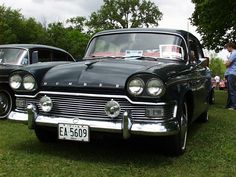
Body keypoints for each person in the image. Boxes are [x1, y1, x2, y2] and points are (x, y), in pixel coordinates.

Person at [224, 42, 236, 110]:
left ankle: (234, 106)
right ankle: (229, 105)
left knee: (232, 90)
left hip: (232, 73)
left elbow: (227, 64)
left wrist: (226, 63)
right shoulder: (232, 53)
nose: (227, 49)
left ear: (230, 47)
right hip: (231, 73)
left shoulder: (234, 53)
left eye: (227, 47)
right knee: (229, 90)